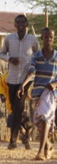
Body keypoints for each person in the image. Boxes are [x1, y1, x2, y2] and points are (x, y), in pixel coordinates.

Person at [18, 27, 57, 161]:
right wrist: (23, 85)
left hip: (51, 93)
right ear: (42, 38)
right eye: (46, 37)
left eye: (51, 37)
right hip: (38, 93)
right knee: (39, 123)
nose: (48, 39)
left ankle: (40, 152)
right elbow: (31, 72)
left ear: (53, 39)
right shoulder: (37, 56)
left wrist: (55, 84)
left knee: (45, 119)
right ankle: (48, 145)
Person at [0, 14, 40, 150]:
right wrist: (10, 59)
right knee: (15, 109)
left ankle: (13, 141)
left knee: (19, 106)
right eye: (19, 22)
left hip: (26, 79)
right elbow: (1, 53)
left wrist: (34, 69)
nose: (21, 24)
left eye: (23, 22)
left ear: (27, 25)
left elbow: (38, 55)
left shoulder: (32, 40)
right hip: (11, 79)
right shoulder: (9, 39)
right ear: (15, 25)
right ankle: (27, 127)